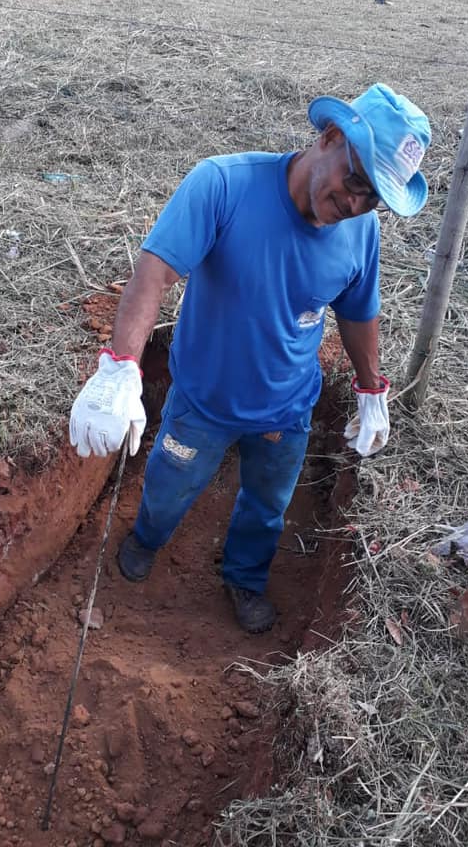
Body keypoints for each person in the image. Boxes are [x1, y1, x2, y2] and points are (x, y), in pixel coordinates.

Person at [69, 83, 431, 634]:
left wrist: (370, 388)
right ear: (329, 136)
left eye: (373, 197)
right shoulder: (224, 185)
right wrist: (120, 367)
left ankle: (245, 577)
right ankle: (147, 537)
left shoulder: (360, 231)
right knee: (171, 481)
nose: (355, 204)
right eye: (355, 181)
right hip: (204, 399)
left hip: (286, 409)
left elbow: (358, 312)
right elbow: (155, 272)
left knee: (267, 504)